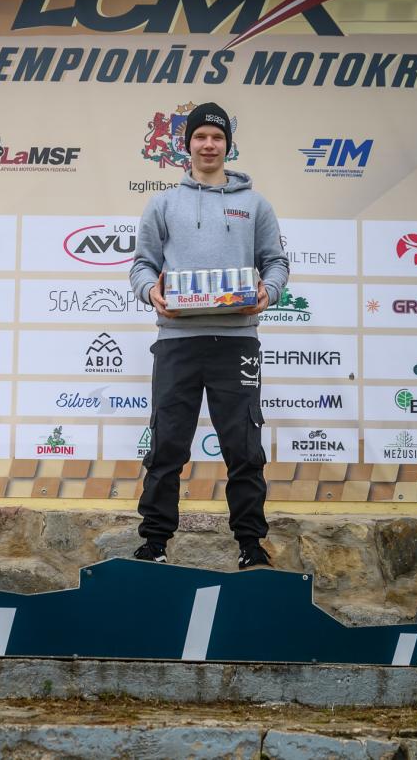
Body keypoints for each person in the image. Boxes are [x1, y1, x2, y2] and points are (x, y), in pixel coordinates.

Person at [128, 102, 289, 569]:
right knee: (166, 446)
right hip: (177, 341)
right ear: (188, 145)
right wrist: (150, 291)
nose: (209, 144)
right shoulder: (163, 203)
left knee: (244, 449)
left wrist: (269, 291)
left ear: (227, 145)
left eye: (217, 137)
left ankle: (251, 546)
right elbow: (142, 265)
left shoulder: (255, 204)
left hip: (236, 341)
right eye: (200, 136)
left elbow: (276, 262)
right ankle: (155, 543)